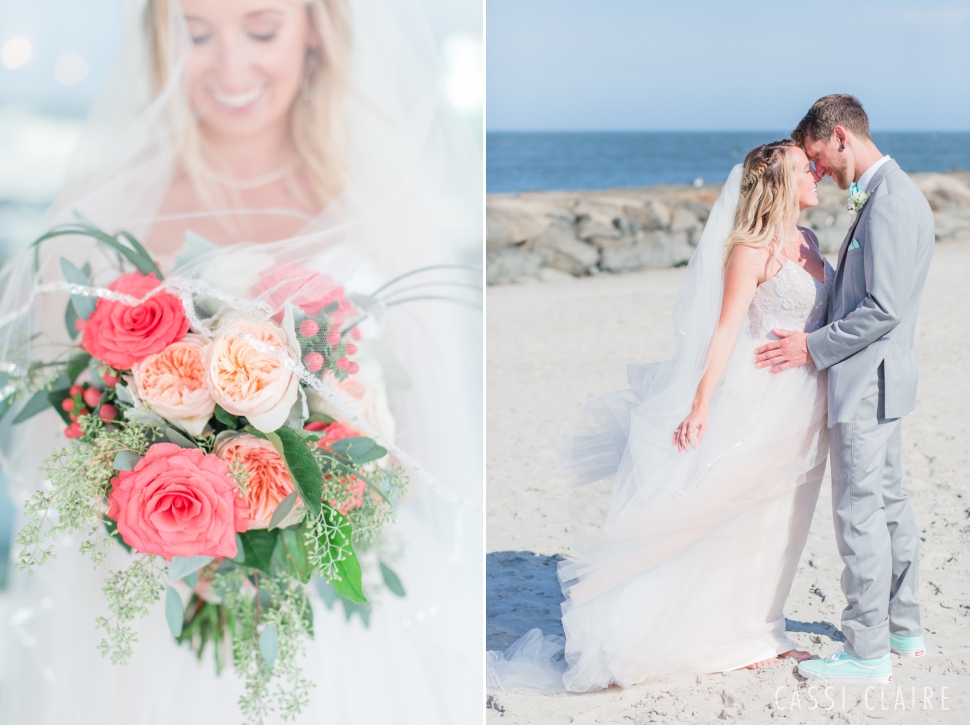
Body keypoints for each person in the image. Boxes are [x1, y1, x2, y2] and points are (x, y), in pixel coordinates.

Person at [0, 1, 482, 723]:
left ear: (316, 26)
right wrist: (173, 522)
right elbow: (55, 448)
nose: (230, 67)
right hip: (146, 619)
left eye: (261, 29)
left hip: (329, 613)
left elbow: (429, 441)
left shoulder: (382, 200)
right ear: (161, 38)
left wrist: (301, 510)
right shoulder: (102, 206)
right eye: (197, 33)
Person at [487, 140, 835, 692]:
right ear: (779, 184)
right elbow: (723, 333)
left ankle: (763, 626)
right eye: (803, 168)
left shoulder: (811, 241)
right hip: (761, 396)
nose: (816, 173)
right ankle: (724, 632)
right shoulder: (750, 250)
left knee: (784, 515)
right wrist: (699, 406)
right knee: (728, 510)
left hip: (805, 399)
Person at [755, 94, 932, 684]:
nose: (819, 171)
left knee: (859, 515)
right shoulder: (889, 195)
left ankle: (865, 651)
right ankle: (902, 629)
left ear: (838, 136)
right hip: (884, 382)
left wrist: (812, 346)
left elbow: (882, 307)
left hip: (867, 384)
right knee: (887, 507)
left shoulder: (889, 204)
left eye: (817, 157)